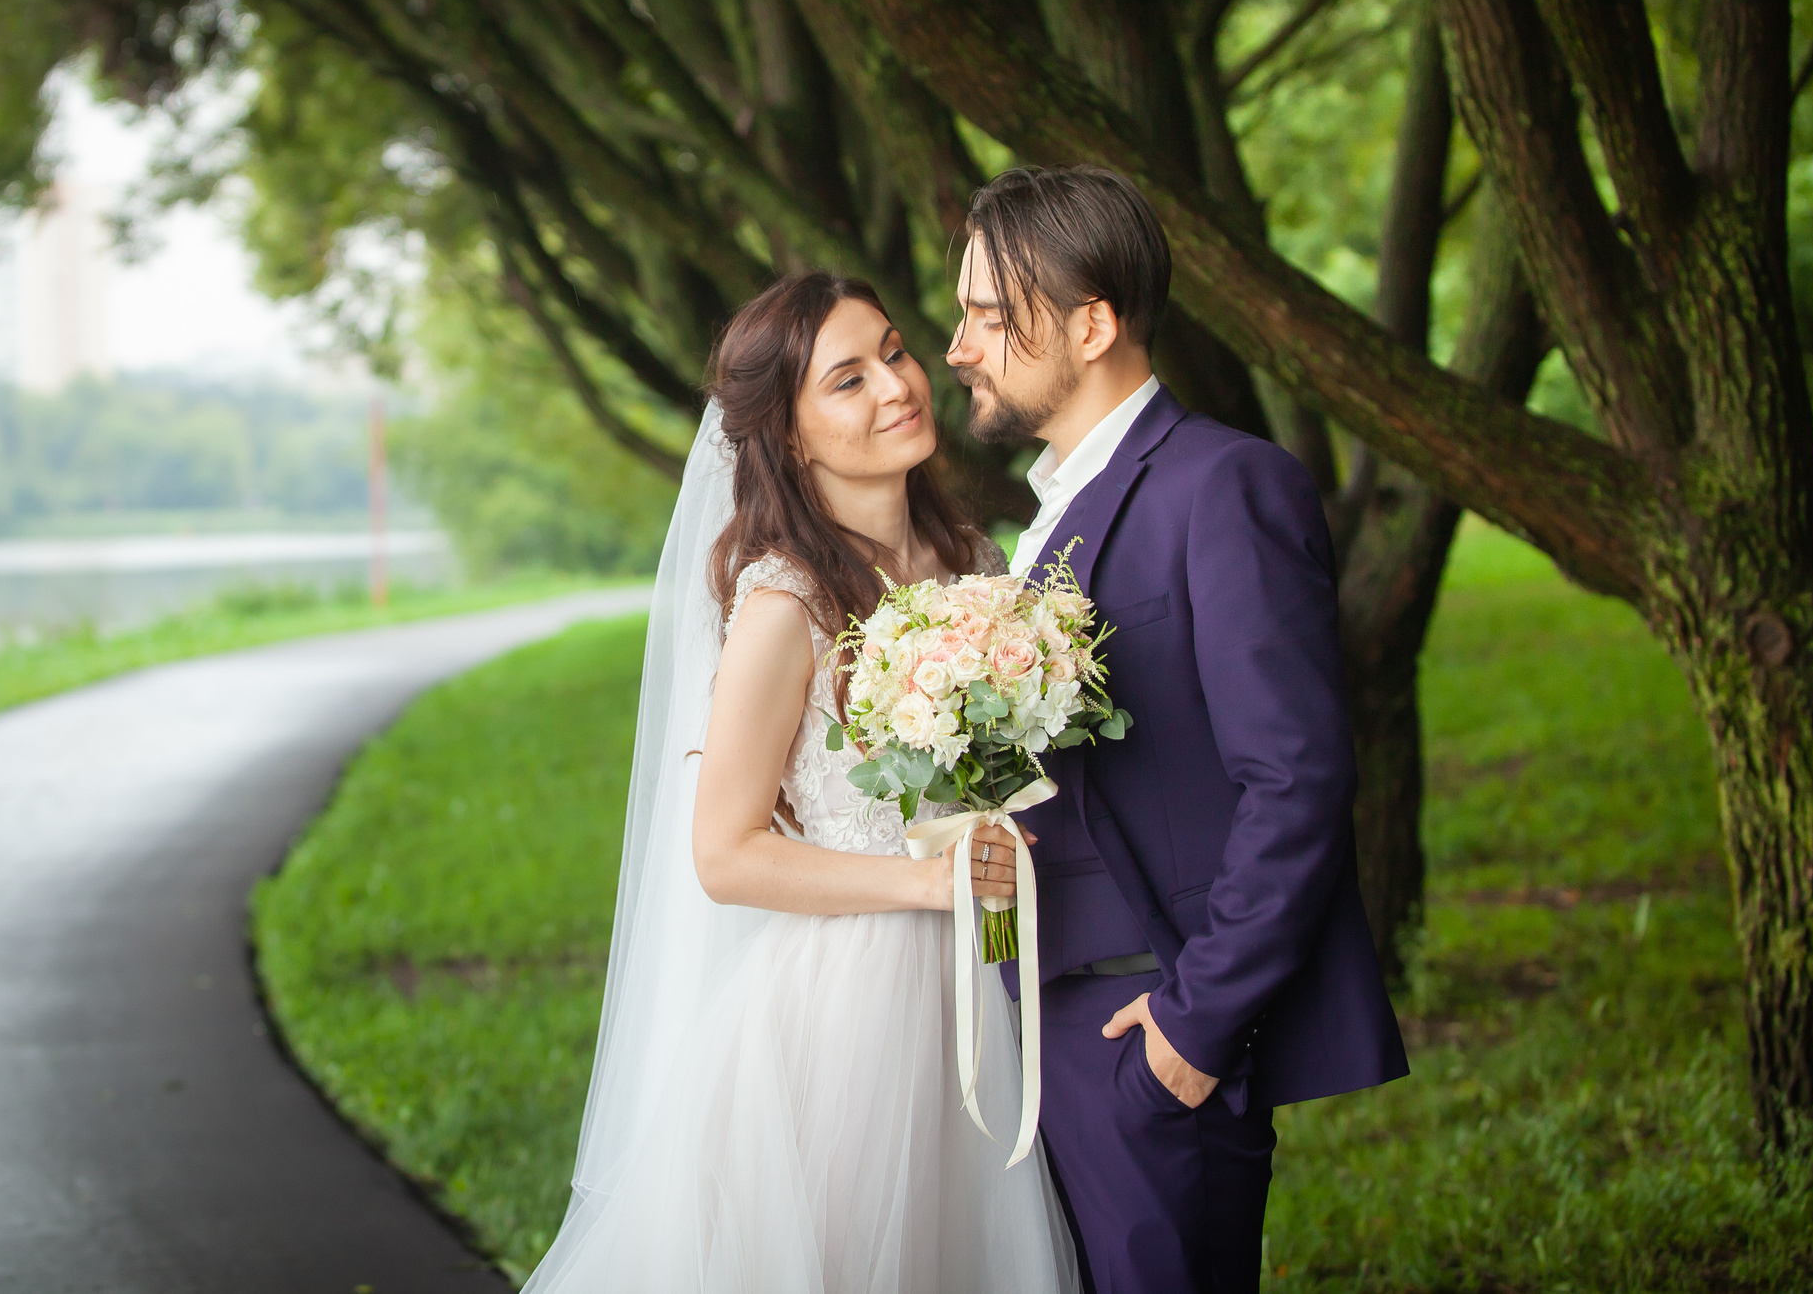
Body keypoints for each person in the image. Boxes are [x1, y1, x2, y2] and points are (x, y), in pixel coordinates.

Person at [524, 272, 1078, 1294]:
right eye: (848, 379)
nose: (896, 387)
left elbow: (985, 797)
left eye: (897, 352)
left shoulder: (971, 564)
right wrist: (924, 884)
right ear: (788, 436)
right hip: (851, 1009)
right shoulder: (784, 602)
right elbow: (724, 855)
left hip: (972, 990)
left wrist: (997, 910)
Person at [944, 165, 1408, 1294]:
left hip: (1143, 1032)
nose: (958, 346)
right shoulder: (1047, 517)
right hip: (1046, 1023)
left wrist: (1191, 1035)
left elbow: (1294, 780)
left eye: (987, 316)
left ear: (1091, 324)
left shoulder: (1223, 486)